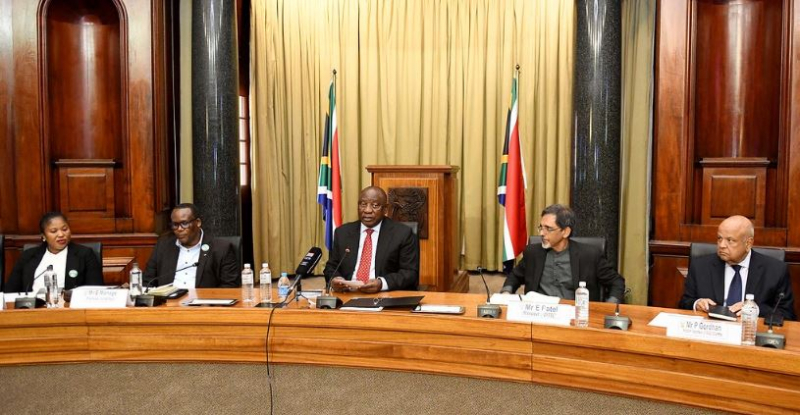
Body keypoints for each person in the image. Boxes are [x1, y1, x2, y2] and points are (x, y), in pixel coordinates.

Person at [500, 204, 625, 303]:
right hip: (538, 314)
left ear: (565, 232)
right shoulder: (532, 252)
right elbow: (514, 276)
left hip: (574, 316)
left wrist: (610, 305)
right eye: (541, 227)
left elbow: (616, 282)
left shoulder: (590, 255)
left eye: (548, 228)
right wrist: (506, 292)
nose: (542, 233)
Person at [680, 215, 795, 320]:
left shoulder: (775, 270)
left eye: (730, 240)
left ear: (748, 243)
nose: (722, 245)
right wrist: (697, 303)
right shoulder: (701, 266)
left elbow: (787, 315)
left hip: (750, 333)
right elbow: (684, 303)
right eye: (719, 238)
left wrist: (756, 310)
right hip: (712, 332)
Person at [323, 186, 419, 293]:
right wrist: (336, 280)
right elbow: (331, 267)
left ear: (385, 210)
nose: (368, 210)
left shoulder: (402, 234)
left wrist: (382, 283)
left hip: (383, 295)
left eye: (375, 205)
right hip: (348, 293)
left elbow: (410, 273)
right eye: (363, 204)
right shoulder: (342, 233)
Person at [143, 203, 240, 288]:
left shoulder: (221, 249)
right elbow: (148, 281)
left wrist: (209, 304)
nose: (179, 229)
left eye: (184, 223)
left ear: (198, 223)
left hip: (203, 305)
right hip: (168, 304)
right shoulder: (164, 245)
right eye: (175, 225)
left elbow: (229, 286)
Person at [6, 212, 104, 292]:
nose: (61, 234)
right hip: (32, 310)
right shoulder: (28, 256)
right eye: (54, 231)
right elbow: (10, 291)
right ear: (43, 236)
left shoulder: (84, 254)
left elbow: (95, 291)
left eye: (65, 229)